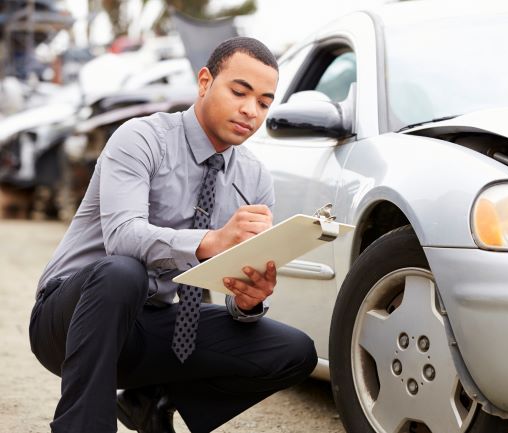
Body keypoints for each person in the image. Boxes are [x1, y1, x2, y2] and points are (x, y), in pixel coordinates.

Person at [29, 37, 318, 433]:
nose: (250, 110)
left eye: (264, 103)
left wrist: (249, 301)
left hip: (154, 326)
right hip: (68, 320)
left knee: (294, 351)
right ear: (204, 82)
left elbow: (234, 282)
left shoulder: (254, 179)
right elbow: (122, 238)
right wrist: (210, 242)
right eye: (239, 92)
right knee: (121, 273)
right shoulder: (140, 139)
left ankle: (150, 401)